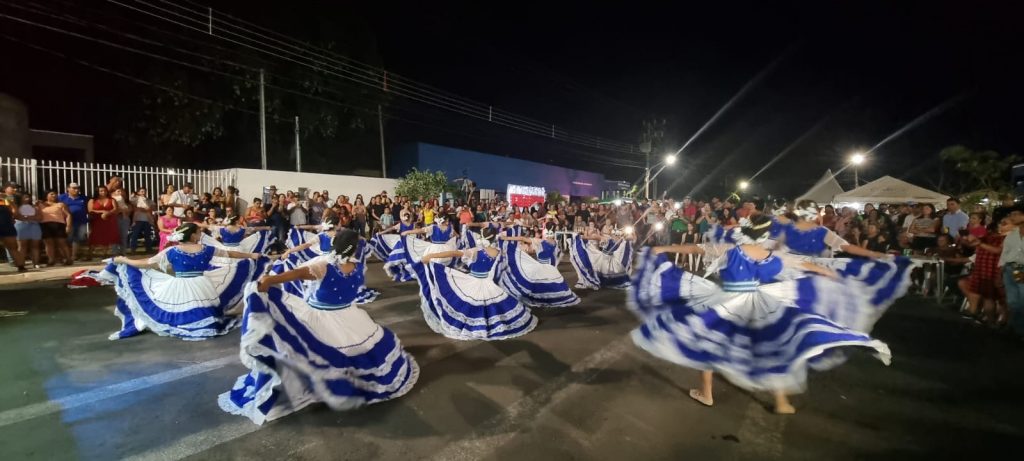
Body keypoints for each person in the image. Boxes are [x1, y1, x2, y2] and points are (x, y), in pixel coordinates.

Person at [629, 215, 894, 414]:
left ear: (745, 230)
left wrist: (664, 249)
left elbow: (695, 248)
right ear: (765, 234)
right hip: (759, 302)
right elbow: (806, 264)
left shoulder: (729, 250)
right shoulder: (771, 254)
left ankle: (706, 393)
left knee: (708, 342)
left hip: (728, 301)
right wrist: (832, 274)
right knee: (771, 345)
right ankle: (781, 401)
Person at [220, 229, 418, 425]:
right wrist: (273, 278)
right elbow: (299, 273)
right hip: (347, 316)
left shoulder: (326, 266)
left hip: (328, 316)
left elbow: (296, 274)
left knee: (315, 352)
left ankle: (324, 384)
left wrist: (269, 280)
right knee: (351, 350)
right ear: (353, 247)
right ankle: (342, 382)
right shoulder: (351, 266)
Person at [107, 223, 266, 340]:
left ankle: (186, 324)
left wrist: (125, 260)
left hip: (181, 284)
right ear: (193, 236)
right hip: (201, 284)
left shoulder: (172, 250)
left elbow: (146, 262)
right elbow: (230, 254)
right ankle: (202, 323)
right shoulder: (205, 248)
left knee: (174, 308)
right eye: (198, 233)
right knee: (205, 311)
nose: (199, 235)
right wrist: (251, 256)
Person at [400, 234, 537, 340]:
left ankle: (475, 326)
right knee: (493, 307)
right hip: (491, 284)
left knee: (467, 305)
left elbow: (453, 253)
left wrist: (430, 256)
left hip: (474, 282)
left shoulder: (474, 251)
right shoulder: (498, 251)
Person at [497, 232, 580, 308]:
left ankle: (549, 297)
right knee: (548, 282)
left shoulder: (541, 241)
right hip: (548, 266)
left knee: (545, 282)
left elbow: (522, 238)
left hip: (546, 266)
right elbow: (522, 239)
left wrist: (507, 238)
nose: (549, 238)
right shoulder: (549, 242)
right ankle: (550, 297)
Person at [961, 218, 1012, 325]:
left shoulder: (1010, 238)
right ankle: (990, 321)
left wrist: (979, 243)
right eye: (1000, 222)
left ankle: (1004, 322)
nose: (1000, 224)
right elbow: (972, 244)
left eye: (1005, 223)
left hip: (997, 270)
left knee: (1004, 299)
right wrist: (965, 239)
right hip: (983, 269)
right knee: (988, 297)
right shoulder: (990, 236)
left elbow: (998, 250)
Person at [568, 222, 634, 290]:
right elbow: (589, 237)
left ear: (620, 235)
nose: (616, 236)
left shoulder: (622, 241)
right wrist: (580, 235)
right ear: (612, 234)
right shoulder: (606, 239)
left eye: (617, 235)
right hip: (603, 260)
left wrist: (630, 232)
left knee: (615, 272)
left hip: (614, 260)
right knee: (595, 265)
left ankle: (610, 281)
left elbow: (631, 238)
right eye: (614, 234)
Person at [998, 210, 1024, 338]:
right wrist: (1000, 270)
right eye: (1010, 215)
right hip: (1010, 269)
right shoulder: (1012, 234)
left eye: (1015, 214)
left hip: (1021, 269)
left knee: (1021, 300)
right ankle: (1015, 328)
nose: (1011, 217)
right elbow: (1005, 252)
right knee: (1013, 301)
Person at [39, 190, 73, 266]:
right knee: (48, 244)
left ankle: (68, 259)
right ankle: (51, 260)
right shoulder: (40, 204)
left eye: (55, 194)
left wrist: (68, 226)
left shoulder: (61, 204)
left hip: (59, 225)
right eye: (52, 194)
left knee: (62, 243)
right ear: (46, 195)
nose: (54, 195)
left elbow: (68, 215)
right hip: (45, 225)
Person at [87, 185, 120, 259]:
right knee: (94, 237)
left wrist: (107, 213)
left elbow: (115, 209)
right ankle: (89, 254)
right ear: (97, 192)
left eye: (104, 190)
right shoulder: (92, 200)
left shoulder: (112, 200)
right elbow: (90, 210)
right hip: (97, 221)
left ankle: (104, 254)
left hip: (109, 220)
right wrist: (102, 211)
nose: (103, 192)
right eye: (101, 191)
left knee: (107, 237)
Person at [59, 182, 89, 261]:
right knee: (68, 239)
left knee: (78, 239)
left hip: (81, 221)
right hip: (68, 222)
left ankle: (73, 256)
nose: (76, 190)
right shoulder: (62, 197)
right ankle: (66, 256)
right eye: (74, 188)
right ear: (68, 189)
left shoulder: (84, 198)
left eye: (78, 188)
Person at [1, 182, 27, 272]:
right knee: (13, 247)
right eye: (12, 187)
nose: (15, 190)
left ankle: (20, 265)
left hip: (6, 224)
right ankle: (21, 266)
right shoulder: (6, 197)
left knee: (12, 247)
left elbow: (15, 212)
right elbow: (15, 212)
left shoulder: (7, 197)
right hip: (7, 224)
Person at [14, 193, 42, 268]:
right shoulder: (17, 206)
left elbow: (40, 217)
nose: (27, 198)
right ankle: (21, 264)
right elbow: (16, 216)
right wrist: (29, 218)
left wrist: (27, 217)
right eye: (25, 196)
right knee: (22, 246)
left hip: (34, 226)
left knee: (35, 246)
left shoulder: (35, 207)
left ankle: (36, 263)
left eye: (28, 197)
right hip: (21, 225)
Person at [128, 187, 157, 254]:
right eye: (141, 191)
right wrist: (144, 209)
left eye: (144, 191)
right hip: (137, 219)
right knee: (135, 235)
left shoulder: (148, 200)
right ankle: (133, 249)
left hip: (147, 220)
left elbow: (153, 207)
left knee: (148, 235)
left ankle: (148, 249)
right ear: (138, 192)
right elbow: (133, 206)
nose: (143, 192)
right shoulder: (135, 199)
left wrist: (146, 209)